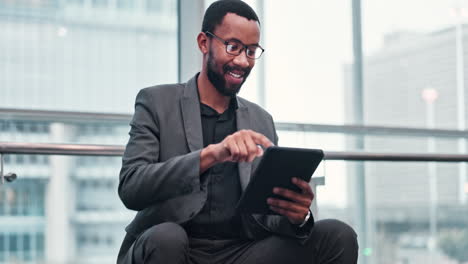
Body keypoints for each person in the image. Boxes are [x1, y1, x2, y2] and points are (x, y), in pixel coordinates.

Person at [117, 0, 358, 263]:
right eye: (233, 47)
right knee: (167, 238)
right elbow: (132, 187)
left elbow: (266, 219)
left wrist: (296, 217)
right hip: (172, 248)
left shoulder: (261, 120)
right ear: (203, 42)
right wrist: (211, 155)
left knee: (337, 234)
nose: (243, 61)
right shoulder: (156, 102)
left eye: (252, 51)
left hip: (240, 252)